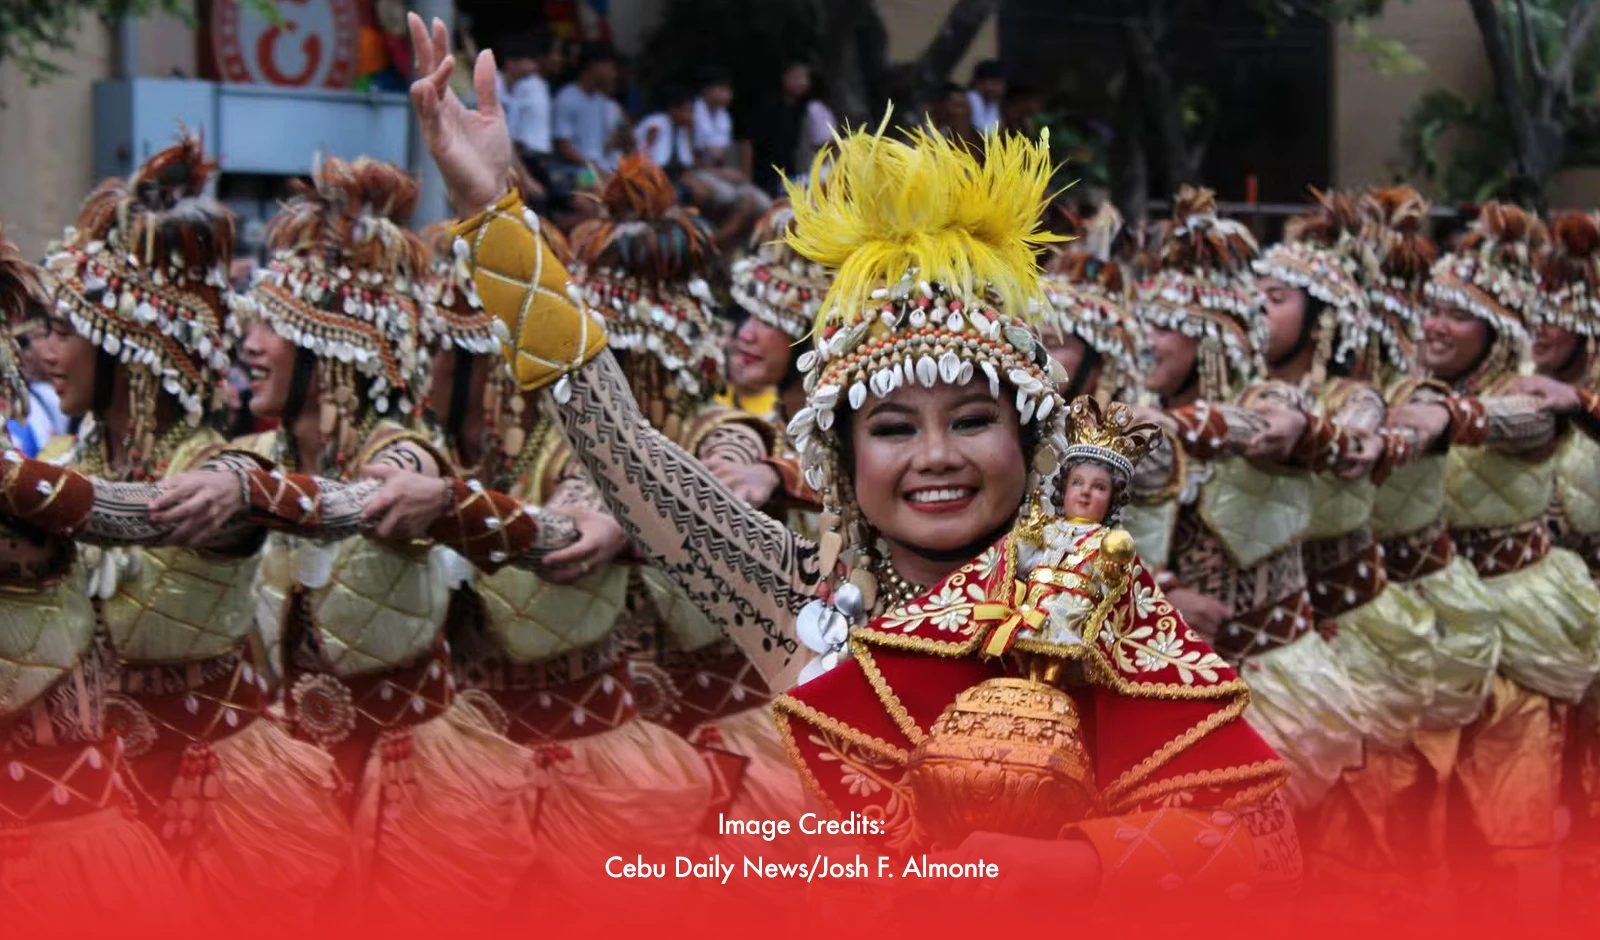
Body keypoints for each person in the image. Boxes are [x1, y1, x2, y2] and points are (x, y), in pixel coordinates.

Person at [403, 16, 1302, 900]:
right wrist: (493, 217)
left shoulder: (1083, 590)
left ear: (1031, 440)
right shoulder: (798, 602)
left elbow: (1260, 833)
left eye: (973, 420)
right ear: (841, 457)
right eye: (894, 427)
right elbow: (626, 456)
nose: (936, 458)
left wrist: (1069, 870)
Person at [36, 137, 352, 917]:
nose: (43, 352)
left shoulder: (214, 467)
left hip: (219, 813)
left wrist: (240, 484)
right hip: (93, 811)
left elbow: (288, 495)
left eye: (64, 330)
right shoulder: (50, 464)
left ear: (128, 349)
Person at [222, 155, 539, 921]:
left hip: (410, 791)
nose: (249, 343)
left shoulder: (404, 453)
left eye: (272, 326)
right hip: (288, 790)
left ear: (330, 344)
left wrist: (248, 492)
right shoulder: (253, 457)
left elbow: (382, 488)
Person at [1124, 186, 1370, 814]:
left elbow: (1258, 430)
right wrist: (1164, 588)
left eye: (1164, 328)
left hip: (1273, 678)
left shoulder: (1276, 404)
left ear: (1209, 340)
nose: (1144, 341)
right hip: (1165, 679)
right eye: (1142, 323)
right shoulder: (1132, 415)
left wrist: (1165, 428)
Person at [1391, 202, 1600, 908]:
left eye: (1459, 315)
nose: (1437, 326)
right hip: (1435, 628)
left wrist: (1452, 419)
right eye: (1435, 310)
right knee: (1417, 829)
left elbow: (1520, 423)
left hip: (1519, 636)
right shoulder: (1411, 389)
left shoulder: (1532, 400)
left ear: (1496, 332)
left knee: (1501, 845)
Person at [1252, 189, 1440, 891]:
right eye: (1253, 296)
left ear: (1321, 319)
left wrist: (1315, 436)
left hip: (1353, 634)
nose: (1257, 309)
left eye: (1275, 297)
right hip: (1268, 643)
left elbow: (1360, 441)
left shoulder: (1350, 395)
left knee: (1360, 834)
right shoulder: (1233, 391)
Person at [1038, 204, 1143, 405]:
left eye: (1051, 343)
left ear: (1104, 360)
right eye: (1031, 341)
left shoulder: (1144, 432)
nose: (1032, 355)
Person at [551, 42, 630, 181]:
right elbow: (564, 145)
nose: (613, 73)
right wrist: (593, 167)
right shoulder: (567, 97)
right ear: (595, 66)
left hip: (601, 169)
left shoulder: (603, 102)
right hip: (577, 172)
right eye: (610, 67)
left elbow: (609, 145)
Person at [967, 59, 1004, 133]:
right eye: (995, 83)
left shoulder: (994, 103)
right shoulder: (968, 101)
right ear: (980, 83)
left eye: (1001, 84)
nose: (999, 88)